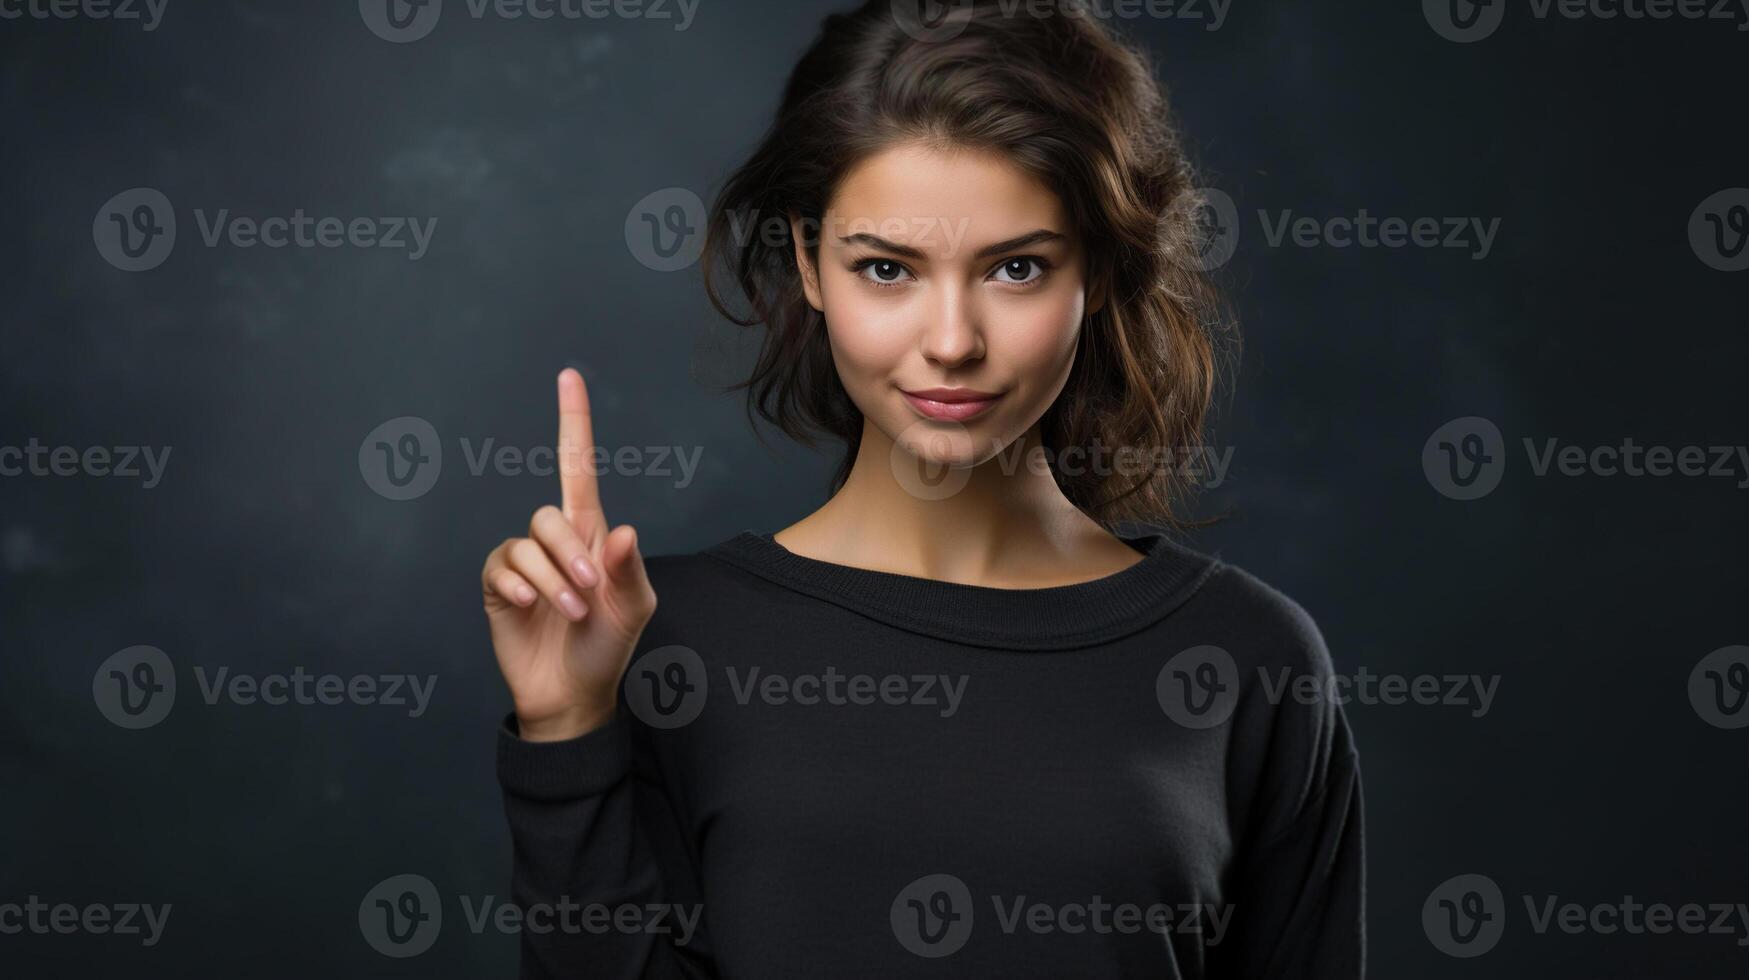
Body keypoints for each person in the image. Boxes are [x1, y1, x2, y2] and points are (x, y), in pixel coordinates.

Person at [479, 2, 1364, 976]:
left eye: (1017, 267)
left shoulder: (1248, 659)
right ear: (812, 262)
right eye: (888, 268)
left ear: (1105, 269)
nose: (951, 340)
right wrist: (566, 732)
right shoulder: (651, 636)